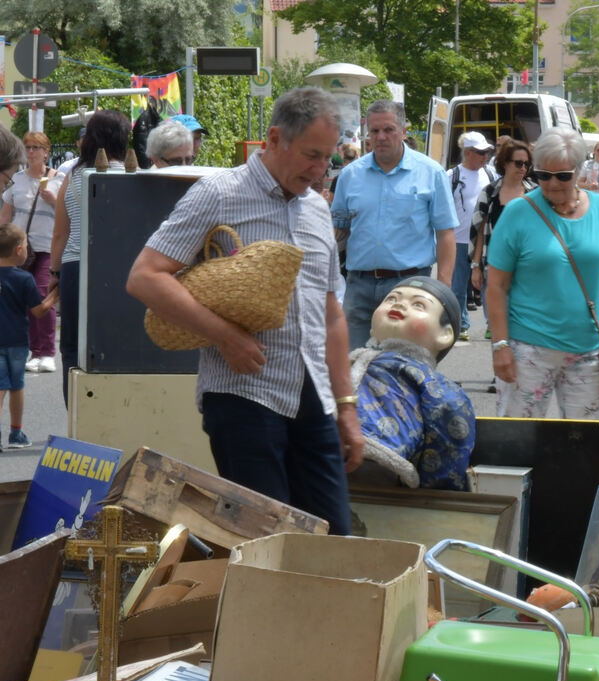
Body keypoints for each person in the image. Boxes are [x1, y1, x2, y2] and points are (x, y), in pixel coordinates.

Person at [127, 87, 364, 535]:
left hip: (313, 396)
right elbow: (145, 277)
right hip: (243, 397)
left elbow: (331, 314)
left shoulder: (317, 209)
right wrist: (225, 335)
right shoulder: (219, 193)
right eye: (311, 155)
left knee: (334, 540)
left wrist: (346, 407)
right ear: (274, 139)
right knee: (265, 544)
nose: (320, 170)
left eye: (327, 158)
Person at [485, 127, 599, 420]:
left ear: (579, 170)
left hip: (589, 351)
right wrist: (500, 344)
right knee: (519, 439)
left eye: (563, 176)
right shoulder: (518, 212)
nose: (552, 183)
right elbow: (496, 285)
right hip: (527, 349)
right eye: (543, 175)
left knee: (585, 440)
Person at [331, 99, 457, 349]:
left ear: (403, 131)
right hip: (359, 287)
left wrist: (442, 289)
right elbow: (339, 230)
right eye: (375, 131)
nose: (381, 137)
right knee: (352, 362)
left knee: (406, 363)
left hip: (410, 287)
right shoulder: (350, 175)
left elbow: (445, 233)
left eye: (388, 130)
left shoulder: (431, 173)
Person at [348, 276, 474, 490]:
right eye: (391, 299)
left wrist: (435, 493)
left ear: (445, 334)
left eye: (418, 305)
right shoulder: (351, 361)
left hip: (380, 460)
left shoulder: (433, 384)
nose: (398, 304)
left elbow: (451, 426)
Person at [50, 110, 131, 406]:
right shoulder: (133, 175)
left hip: (75, 265)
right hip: (120, 268)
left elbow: (61, 233)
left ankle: (76, 413)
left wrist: (54, 274)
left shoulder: (72, 176)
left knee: (72, 347)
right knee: (118, 343)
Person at [0, 131, 63, 373]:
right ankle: (35, 351)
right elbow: (6, 215)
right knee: (24, 296)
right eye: (28, 147)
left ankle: (46, 352)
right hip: (19, 248)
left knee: (41, 293)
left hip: (46, 246)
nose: (31, 152)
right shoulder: (17, 179)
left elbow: (67, 214)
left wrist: (54, 201)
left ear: (46, 152)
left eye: (36, 147)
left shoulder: (58, 180)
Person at [470, 138, 536, 342]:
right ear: (505, 163)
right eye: (518, 163)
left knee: (524, 324)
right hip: (495, 266)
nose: (523, 168)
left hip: (527, 267)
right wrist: (476, 266)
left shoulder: (535, 193)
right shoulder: (490, 192)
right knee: (497, 326)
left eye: (526, 164)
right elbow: (479, 231)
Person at [0, 225, 57, 449]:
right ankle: (16, 434)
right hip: (16, 342)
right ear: (19, 250)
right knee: (16, 387)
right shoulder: (23, 278)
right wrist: (54, 295)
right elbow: (38, 311)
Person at [447, 131, 498, 341]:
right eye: (481, 152)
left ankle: (492, 325)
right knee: (458, 286)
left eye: (487, 152)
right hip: (458, 240)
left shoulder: (491, 174)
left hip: (483, 240)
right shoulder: (452, 176)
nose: (485, 156)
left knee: (488, 284)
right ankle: (461, 325)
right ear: (468, 152)